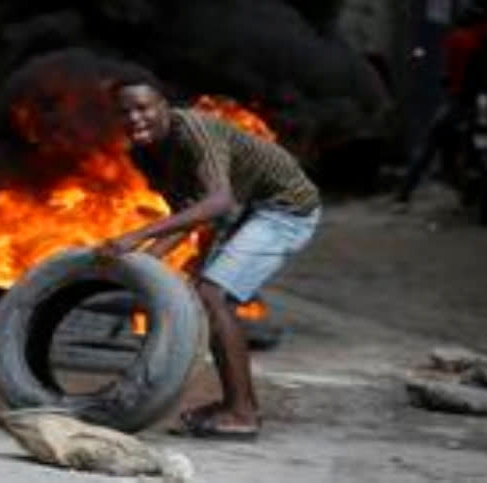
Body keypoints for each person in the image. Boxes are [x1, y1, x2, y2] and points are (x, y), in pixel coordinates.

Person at [95, 69, 321, 440]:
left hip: (285, 207)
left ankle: (243, 412)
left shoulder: (195, 130)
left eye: (143, 108)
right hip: (245, 212)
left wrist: (135, 236)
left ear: (164, 107)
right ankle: (233, 403)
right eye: (124, 112)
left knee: (213, 295)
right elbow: (185, 215)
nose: (135, 118)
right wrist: (147, 260)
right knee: (202, 295)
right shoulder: (146, 153)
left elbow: (217, 202)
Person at [393, 0, 487, 207]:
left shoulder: (459, 40)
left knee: (431, 141)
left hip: (465, 104)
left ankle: (405, 191)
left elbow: (453, 75)